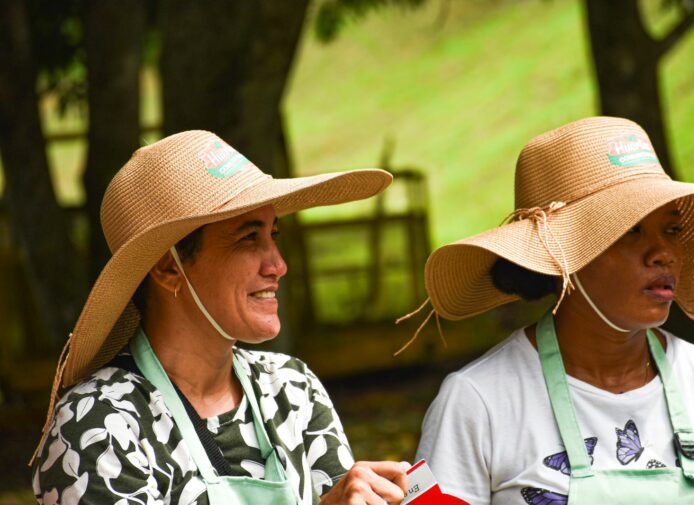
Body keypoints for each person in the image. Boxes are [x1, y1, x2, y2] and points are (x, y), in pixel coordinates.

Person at [31, 130, 411, 504]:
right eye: (248, 237)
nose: (278, 265)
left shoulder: (291, 390)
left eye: (273, 234)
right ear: (168, 267)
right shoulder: (99, 425)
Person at [413, 117, 694, 505]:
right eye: (631, 230)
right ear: (561, 255)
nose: (663, 254)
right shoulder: (480, 401)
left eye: (672, 231)